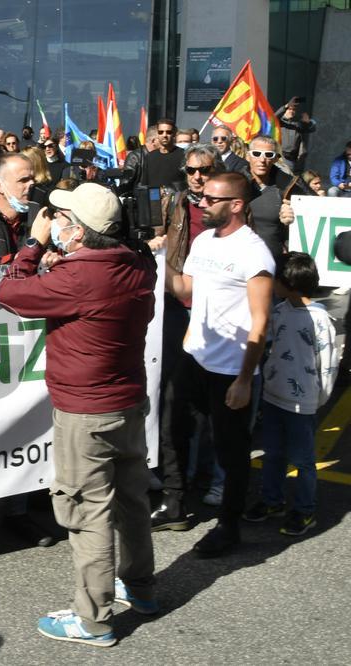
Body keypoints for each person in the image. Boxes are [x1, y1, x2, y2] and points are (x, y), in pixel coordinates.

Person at [0, 183, 158, 647]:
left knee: (88, 513)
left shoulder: (79, 276)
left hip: (84, 412)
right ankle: (141, 589)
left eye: (63, 217)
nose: (56, 222)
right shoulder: (136, 266)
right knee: (131, 502)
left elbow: (10, 292)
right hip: (127, 404)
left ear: (81, 232)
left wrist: (32, 244)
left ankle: (93, 620)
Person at [164, 172, 274, 558]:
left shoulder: (254, 253)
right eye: (202, 197)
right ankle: (174, 504)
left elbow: (261, 321)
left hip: (230, 369)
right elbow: (187, 290)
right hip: (194, 356)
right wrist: (162, 263)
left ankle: (229, 526)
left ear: (237, 205)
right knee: (173, 429)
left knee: (230, 450)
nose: (202, 203)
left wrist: (245, 379)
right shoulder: (203, 239)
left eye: (211, 199)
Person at [149, 144, 226, 529]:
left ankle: (215, 481)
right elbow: (159, 241)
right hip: (178, 312)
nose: (198, 177)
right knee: (174, 401)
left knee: (214, 405)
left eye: (206, 170)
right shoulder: (175, 203)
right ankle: (174, 494)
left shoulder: (231, 214)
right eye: (192, 170)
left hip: (218, 318)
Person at [243, 253, 337, 536]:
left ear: (290, 284)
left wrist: (317, 399)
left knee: (303, 459)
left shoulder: (320, 320)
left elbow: (328, 363)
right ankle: (273, 500)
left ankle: (304, 510)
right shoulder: (280, 310)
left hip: (302, 402)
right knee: (273, 453)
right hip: (274, 396)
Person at [247, 135, 298, 264]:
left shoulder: (287, 188)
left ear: (275, 159)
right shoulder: (235, 185)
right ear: (248, 156)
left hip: (273, 262)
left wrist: (292, 219)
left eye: (268, 155)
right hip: (239, 260)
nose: (262, 160)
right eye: (257, 154)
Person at [275, 97, 316, 172]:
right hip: (280, 157)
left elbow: (312, 129)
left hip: (293, 158)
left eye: (294, 109)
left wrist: (308, 122)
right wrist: (286, 106)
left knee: (291, 177)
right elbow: (274, 117)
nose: (292, 111)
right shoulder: (279, 122)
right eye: (289, 109)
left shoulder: (297, 124)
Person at [143, 119, 186, 189]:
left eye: (168, 132)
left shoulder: (184, 155)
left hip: (176, 198)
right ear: (157, 134)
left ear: (174, 133)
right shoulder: (150, 157)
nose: (164, 135)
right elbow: (144, 183)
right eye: (161, 132)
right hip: (153, 198)